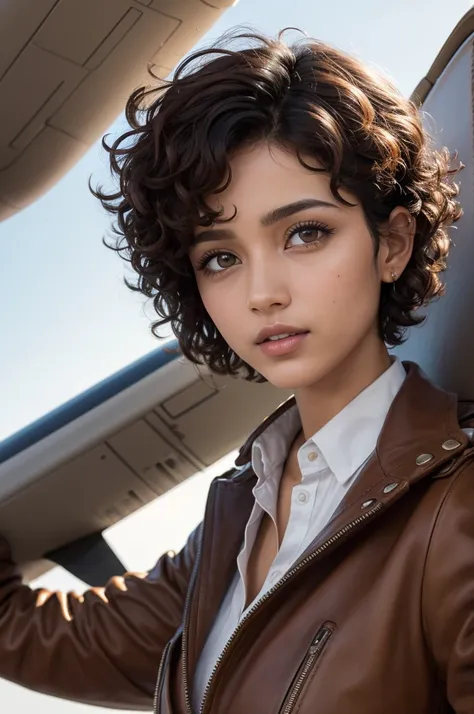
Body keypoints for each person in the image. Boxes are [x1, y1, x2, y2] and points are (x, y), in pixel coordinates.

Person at [0, 28, 473, 714]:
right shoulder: (239, 510)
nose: (262, 292)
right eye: (221, 255)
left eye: (304, 233)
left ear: (392, 242)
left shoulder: (457, 511)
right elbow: (62, 640)